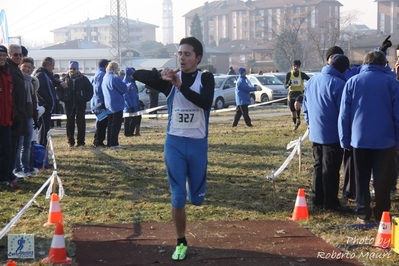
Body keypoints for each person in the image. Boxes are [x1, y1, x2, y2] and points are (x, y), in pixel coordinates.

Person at [133, 36, 215, 261]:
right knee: (177, 197)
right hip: (175, 145)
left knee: (196, 200)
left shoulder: (205, 78)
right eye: (179, 54)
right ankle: (180, 242)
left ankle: (193, 189)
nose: (182, 58)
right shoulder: (170, 80)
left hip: (198, 146)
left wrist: (181, 85)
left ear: (198, 58)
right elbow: (135, 74)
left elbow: (205, 103)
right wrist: (159, 75)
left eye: (187, 54)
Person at [338, 50, 399, 223]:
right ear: (383, 64)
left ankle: (363, 213)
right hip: (385, 140)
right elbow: (397, 116)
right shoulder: (392, 83)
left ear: (365, 63)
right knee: (383, 180)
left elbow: (344, 115)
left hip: (360, 139)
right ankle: (382, 213)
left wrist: (345, 140)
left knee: (361, 177)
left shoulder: (352, 82)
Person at [303, 54, 350, 212]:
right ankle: (331, 203)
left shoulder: (312, 80)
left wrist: (310, 123)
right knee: (331, 169)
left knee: (318, 166)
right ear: (343, 70)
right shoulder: (339, 84)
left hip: (316, 132)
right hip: (333, 134)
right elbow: (343, 113)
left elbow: (305, 106)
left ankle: (317, 199)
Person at [13, 57, 39, 178]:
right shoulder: (17, 80)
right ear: (20, 67)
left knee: (28, 144)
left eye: (30, 67)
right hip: (19, 116)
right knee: (19, 144)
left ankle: (27, 168)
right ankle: (17, 168)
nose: (27, 69)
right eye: (25, 67)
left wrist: (35, 117)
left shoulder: (32, 82)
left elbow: (33, 101)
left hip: (28, 116)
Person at [57, 61, 93, 147]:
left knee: (81, 123)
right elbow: (58, 91)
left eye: (74, 68)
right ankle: (70, 141)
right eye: (71, 68)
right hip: (69, 105)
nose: (72, 70)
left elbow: (90, 90)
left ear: (77, 69)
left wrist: (84, 99)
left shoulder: (83, 79)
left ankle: (81, 142)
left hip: (80, 105)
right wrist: (64, 98)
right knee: (69, 123)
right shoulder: (64, 79)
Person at [35, 57, 66, 147]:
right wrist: (48, 100)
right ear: (48, 65)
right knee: (43, 129)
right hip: (44, 107)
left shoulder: (48, 75)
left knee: (46, 129)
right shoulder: (41, 75)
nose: (53, 67)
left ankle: (43, 147)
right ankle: (41, 148)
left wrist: (60, 82)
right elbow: (39, 89)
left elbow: (54, 81)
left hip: (48, 107)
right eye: (53, 65)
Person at [0, 45, 17, 188]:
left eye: (4, 56)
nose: (2, 58)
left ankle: (4, 177)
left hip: (6, 120)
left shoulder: (8, 73)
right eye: (0, 56)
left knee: (7, 150)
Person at [102, 61, 127, 149]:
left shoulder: (105, 77)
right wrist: (127, 87)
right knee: (116, 125)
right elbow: (123, 89)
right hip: (116, 104)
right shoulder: (115, 78)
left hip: (108, 104)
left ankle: (110, 142)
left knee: (110, 125)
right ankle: (114, 143)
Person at [284, 60, 310, 130]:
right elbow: (285, 86)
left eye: (297, 66)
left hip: (299, 93)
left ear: (299, 67)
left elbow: (310, 80)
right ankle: (295, 124)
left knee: (297, 104)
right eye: (294, 66)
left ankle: (298, 117)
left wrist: (307, 88)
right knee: (293, 112)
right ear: (292, 66)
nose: (295, 67)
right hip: (291, 94)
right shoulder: (289, 74)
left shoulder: (302, 74)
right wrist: (288, 84)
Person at [91, 59, 110, 147]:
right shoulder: (101, 74)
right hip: (99, 103)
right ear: (106, 65)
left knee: (101, 122)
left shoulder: (98, 73)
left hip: (97, 102)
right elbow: (98, 90)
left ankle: (97, 140)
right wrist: (102, 102)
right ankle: (99, 141)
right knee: (102, 122)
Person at [123, 67, 140, 137]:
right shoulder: (126, 83)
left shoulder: (131, 83)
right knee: (127, 119)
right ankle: (127, 133)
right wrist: (130, 105)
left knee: (134, 119)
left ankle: (131, 132)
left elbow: (134, 95)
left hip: (134, 105)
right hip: (129, 106)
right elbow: (125, 96)